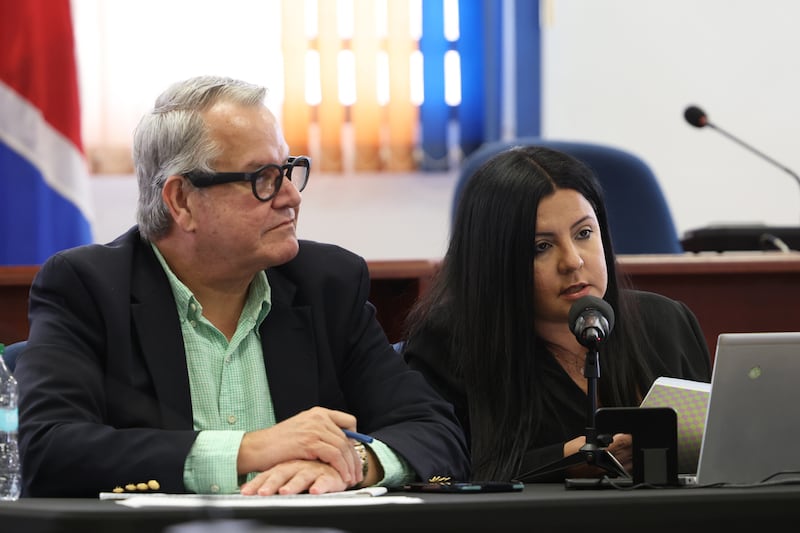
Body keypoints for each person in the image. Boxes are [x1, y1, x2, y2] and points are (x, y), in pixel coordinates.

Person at [15, 75, 470, 497]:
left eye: (287, 171)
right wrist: (249, 449)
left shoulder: (327, 284)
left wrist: (353, 461)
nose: (291, 197)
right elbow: (50, 450)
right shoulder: (89, 288)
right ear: (181, 200)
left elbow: (436, 433)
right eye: (262, 180)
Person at [402, 145, 711, 482]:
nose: (573, 261)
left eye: (584, 234)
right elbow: (442, 472)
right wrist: (562, 461)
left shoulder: (667, 322)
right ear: (496, 260)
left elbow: (716, 454)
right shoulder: (448, 344)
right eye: (541, 247)